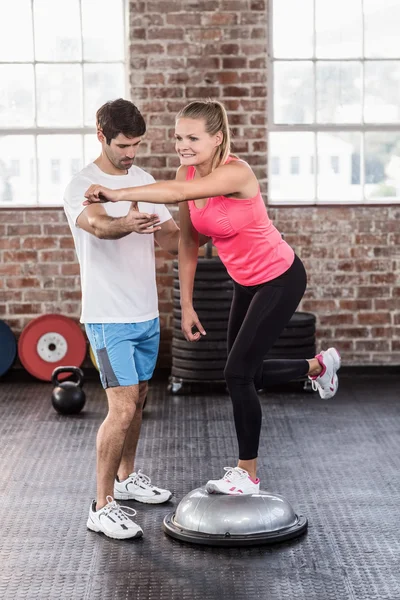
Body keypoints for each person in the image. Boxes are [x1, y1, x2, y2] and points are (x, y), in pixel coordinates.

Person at [83, 99, 341, 497]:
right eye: (177, 137)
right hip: (246, 282)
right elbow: (188, 242)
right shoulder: (186, 173)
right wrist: (187, 305)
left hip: (280, 277)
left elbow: (177, 192)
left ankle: (248, 473)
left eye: (192, 138)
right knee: (245, 374)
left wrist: (114, 191)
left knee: (236, 373)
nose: (182, 145)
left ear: (217, 138)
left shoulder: (236, 173)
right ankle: (316, 368)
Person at [63, 98, 180, 540]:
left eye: (136, 145)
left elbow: (171, 239)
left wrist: (200, 226)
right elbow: (96, 225)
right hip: (108, 317)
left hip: (144, 312)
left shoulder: (144, 180)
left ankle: (127, 480)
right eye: (123, 145)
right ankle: (101, 503)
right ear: (101, 136)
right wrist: (128, 223)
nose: (131, 153)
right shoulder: (82, 183)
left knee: (140, 399)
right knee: (123, 406)